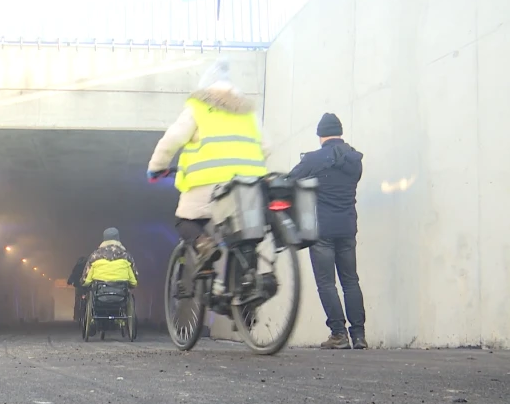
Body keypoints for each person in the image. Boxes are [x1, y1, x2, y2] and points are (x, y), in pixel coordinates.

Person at [146, 57, 272, 276]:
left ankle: (204, 246)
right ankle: (245, 290)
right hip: (246, 187)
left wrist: (157, 167)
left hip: (208, 186)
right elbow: (267, 146)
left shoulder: (199, 106)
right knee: (242, 236)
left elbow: (173, 139)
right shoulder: (248, 111)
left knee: (185, 221)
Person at [288, 113, 367, 350]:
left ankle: (338, 334)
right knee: (351, 281)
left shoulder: (314, 159)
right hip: (347, 227)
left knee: (326, 283)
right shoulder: (355, 160)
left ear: (320, 135)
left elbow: (290, 179)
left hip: (322, 229)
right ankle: (360, 336)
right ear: (340, 133)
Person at [67, 256, 88, 322]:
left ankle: (76, 316)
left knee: (77, 300)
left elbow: (73, 275)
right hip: (86, 286)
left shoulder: (77, 267)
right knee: (87, 299)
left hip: (78, 286)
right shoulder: (88, 267)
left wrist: (69, 282)